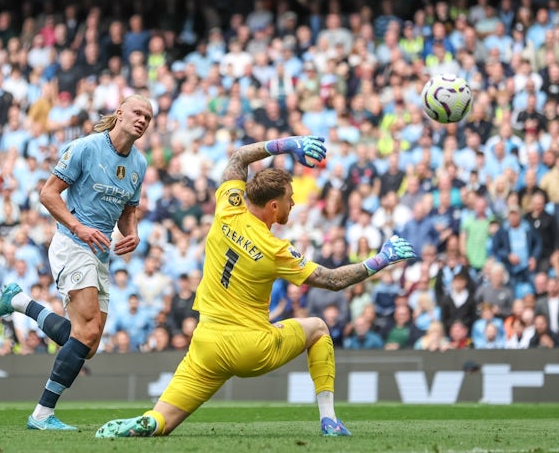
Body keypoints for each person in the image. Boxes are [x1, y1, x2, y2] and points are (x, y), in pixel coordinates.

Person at [95, 134, 417, 439]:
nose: (293, 205)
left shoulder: (227, 208)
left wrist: (287, 145)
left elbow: (239, 157)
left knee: (162, 421)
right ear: (274, 207)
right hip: (251, 347)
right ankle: (329, 420)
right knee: (318, 328)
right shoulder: (275, 249)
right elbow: (332, 280)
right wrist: (380, 260)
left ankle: (151, 420)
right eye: (290, 200)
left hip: (207, 343)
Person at [0, 94, 154, 430]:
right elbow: (48, 193)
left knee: (86, 343)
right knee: (86, 331)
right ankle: (42, 414)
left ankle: (20, 301)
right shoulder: (87, 148)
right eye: (137, 112)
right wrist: (78, 226)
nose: (143, 120)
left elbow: (128, 210)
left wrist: (132, 233)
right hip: (71, 243)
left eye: (148, 117)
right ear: (119, 114)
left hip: (100, 252)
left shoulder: (140, 164)